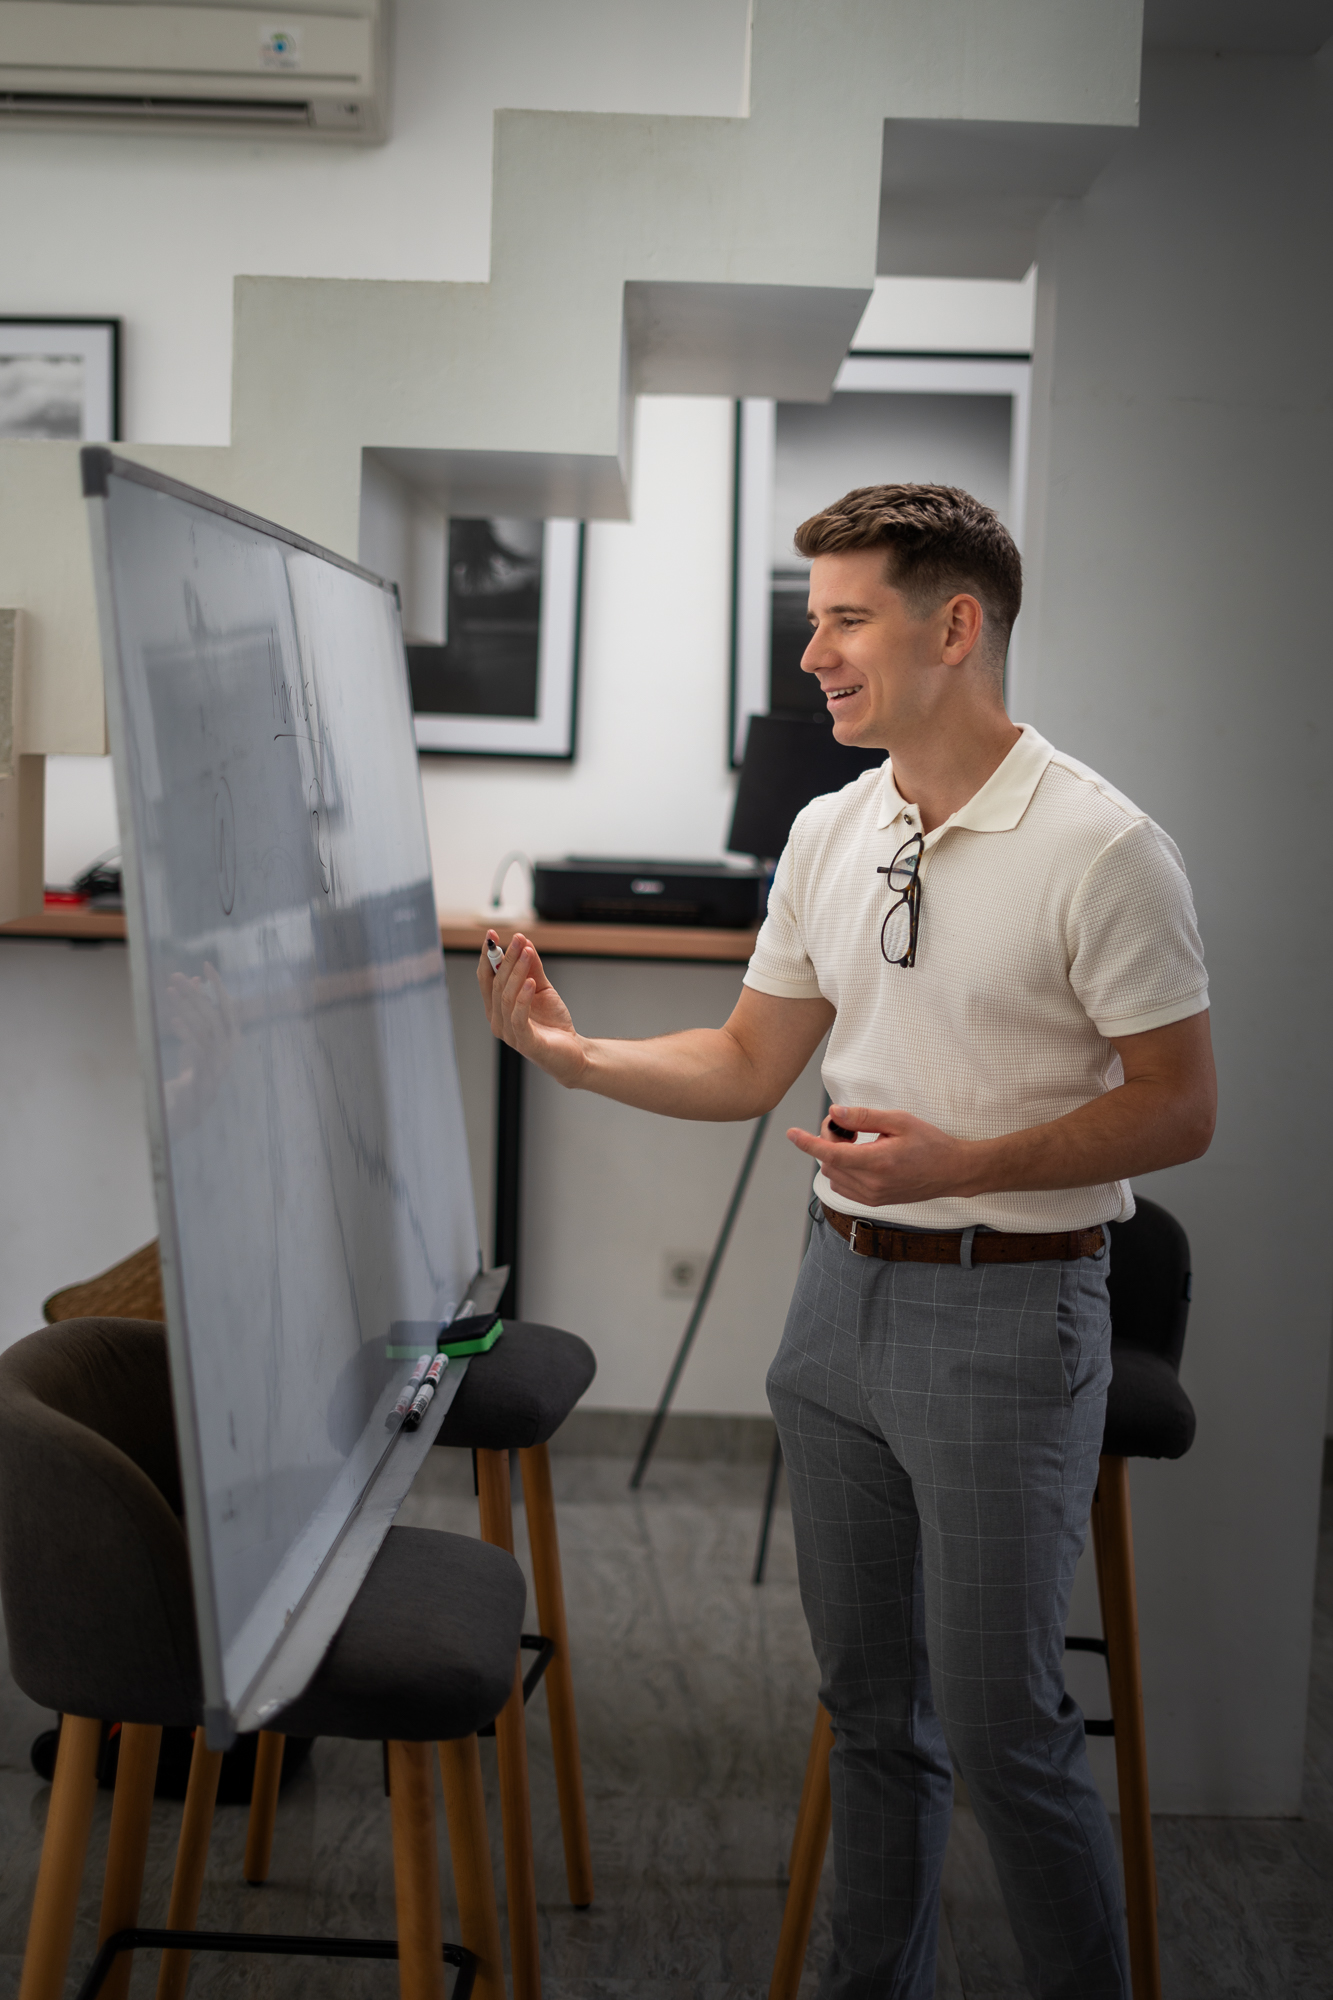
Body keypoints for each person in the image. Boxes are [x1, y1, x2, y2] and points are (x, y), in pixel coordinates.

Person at [478, 484, 1215, 2000]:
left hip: (1007, 1319)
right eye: (806, 618)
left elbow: (1179, 1111)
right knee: (868, 1714)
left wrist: (970, 1165)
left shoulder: (1103, 847)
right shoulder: (833, 824)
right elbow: (752, 1064)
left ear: (953, 627)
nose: (809, 653)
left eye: (842, 618)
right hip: (834, 1315)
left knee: (1007, 1736)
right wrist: (576, 1056)